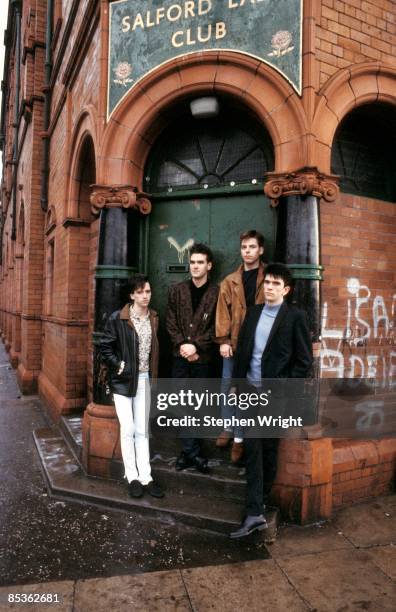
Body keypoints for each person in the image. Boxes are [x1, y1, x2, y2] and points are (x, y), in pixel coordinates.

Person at [230, 263, 313, 538]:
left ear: (286, 290)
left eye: (276, 284)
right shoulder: (253, 313)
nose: (269, 287)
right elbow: (243, 350)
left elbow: (304, 362)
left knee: (263, 450)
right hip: (249, 391)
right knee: (257, 449)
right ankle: (257, 509)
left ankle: (256, 509)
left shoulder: (295, 317)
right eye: (267, 282)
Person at [100, 274, 164, 499]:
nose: (145, 296)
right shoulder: (119, 318)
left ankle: (146, 477)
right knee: (127, 429)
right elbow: (105, 347)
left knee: (142, 430)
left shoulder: (154, 317)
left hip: (145, 380)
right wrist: (119, 366)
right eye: (139, 292)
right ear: (131, 295)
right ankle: (132, 476)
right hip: (122, 382)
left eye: (147, 291)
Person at [166, 243, 219, 473]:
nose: (195, 266)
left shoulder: (217, 293)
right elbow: (171, 322)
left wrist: (196, 346)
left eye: (200, 263)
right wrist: (183, 345)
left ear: (209, 266)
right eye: (193, 262)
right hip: (180, 357)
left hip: (203, 358)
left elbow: (218, 326)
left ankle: (187, 453)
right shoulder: (177, 290)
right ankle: (193, 454)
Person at [215, 230, 266, 463]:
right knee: (228, 387)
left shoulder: (268, 278)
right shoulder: (230, 280)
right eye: (244, 247)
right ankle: (227, 427)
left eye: (252, 247)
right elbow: (222, 312)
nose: (247, 251)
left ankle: (240, 436)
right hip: (233, 344)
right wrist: (224, 341)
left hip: (257, 345)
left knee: (247, 391)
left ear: (260, 250)